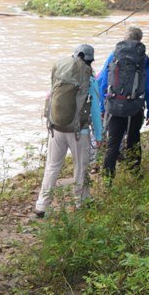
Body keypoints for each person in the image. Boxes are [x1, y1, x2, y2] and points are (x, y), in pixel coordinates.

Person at [34, 43, 104, 218]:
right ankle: (82, 201)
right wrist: (100, 135)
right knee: (81, 167)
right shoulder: (90, 80)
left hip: (56, 128)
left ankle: (42, 206)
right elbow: (95, 110)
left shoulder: (61, 74)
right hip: (79, 132)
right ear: (90, 61)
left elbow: (50, 97)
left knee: (52, 167)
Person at [97, 26, 149, 181]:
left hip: (114, 107)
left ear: (125, 38)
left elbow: (102, 82)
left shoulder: (114, 55)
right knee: (134, 140)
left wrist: (102, 107)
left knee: (113, 144)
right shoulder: (143, 59)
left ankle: (107, 180)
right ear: (140, 40)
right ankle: (135, 174)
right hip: (135, 108)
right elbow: (147, 85)